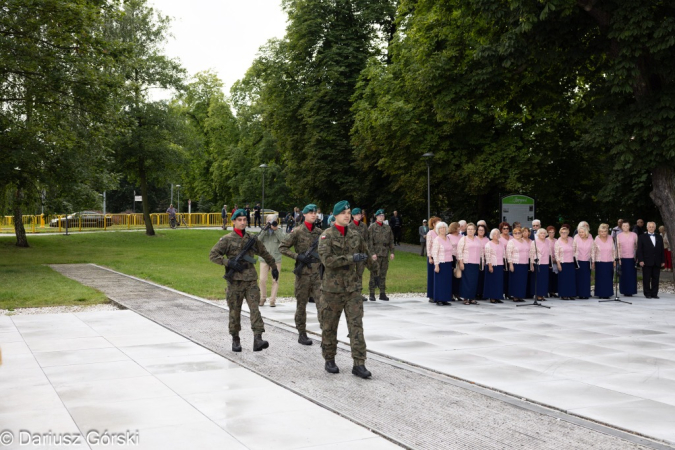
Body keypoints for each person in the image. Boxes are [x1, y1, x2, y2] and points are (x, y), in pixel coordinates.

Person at [318, 200, 375, 378]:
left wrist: (375, 269)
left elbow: (365, 255)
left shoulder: (356, 235)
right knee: (329, 326)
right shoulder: (326, 236)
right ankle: (329, 358)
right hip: (332, 291)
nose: (347, 215)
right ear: (335, 216)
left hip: (352, 290)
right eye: (343, 213)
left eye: (349, 212)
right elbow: (327, 261)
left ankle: (359, 363)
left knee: (356, 326)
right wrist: (351, 258)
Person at [209, 209, 278, 352]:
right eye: (239, 220)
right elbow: (213, 255)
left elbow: (264, 252)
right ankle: (235, 339)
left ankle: (257, 339)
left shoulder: (251, 239)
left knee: (255, 310)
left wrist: (273, 266)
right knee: (235, 311)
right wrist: (228, 263)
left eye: (244, 220)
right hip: (234, 282)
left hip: (251, 280)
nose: (242, 222)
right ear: (233, 221)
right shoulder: (227, 239)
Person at [279, 204, 323, 345]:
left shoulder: (320, 233)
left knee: (322, 304)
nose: (313, 214)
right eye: (310, 212)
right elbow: (282, 247)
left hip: (317, 274)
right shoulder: (297, 232)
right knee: (301, 304)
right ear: (304, 214)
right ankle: (301, 333)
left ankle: (326, 334)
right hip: (303, 274)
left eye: (315, 212)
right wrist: (297, 256)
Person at [368, 209, 395, 301]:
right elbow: (369, 242)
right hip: (375, 253)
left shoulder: (387, 228)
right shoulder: (372, 227)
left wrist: (392, 252)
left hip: (384, 253)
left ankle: (382, 293)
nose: (381, 217)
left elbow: (391, 240)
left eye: (383, 216)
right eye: (379, 216)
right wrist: (372, 253)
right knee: (374, 273)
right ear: (376, 217)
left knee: (383, 273)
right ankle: (372, 293)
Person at [258, 219, 285, 307]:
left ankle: (272, 300)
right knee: (262, 279)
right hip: (264, 259)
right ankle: (263, 297)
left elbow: (284, 240)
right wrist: (264, 230)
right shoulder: (263, 231)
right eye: (270, 221)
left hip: (276, 258)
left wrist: (275, 229)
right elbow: (258, 240)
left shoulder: (279, 231)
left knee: (275, 280)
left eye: (273, 221)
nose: (271, 223)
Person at [637, 221, 665, 298]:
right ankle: (647, 293)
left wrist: (662, 260)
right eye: (650, 227)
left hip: (657, 261)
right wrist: (641, 260)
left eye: (653, 227)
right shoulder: (642, 237)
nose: (651, 228)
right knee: (646, 278)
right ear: (647, 227)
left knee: (656, 278)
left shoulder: (659, 237)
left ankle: (654, 293)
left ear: (655, 228)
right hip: (646, 261)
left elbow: (662, 249)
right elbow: (639, 250)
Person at [348, 207, 371, 300]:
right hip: (353, 254)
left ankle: (358, 293)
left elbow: (366, 239)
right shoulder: (349, 227)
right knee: (351, 273)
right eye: (357, 214)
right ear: (353, 216)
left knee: (359, 273)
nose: (359, 216)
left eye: (360, 214)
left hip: (361, 253)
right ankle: (351, 293)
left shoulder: (364, 226)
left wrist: (367, 251)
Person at [457, 223, 482, 305]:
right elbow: (459, 251)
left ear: (475, 231)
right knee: (466, 281)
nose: (470, 231)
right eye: (469, 229)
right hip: (466, 262)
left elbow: (480, 252)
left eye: (472, 229)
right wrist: (461, 262)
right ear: (466, 230)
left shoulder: (477, 239)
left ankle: (472, 298)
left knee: (474, 281)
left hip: (475, 263)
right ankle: (465, 298)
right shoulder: (463, 239)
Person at [430, 222, 453, 306]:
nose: (442, 229)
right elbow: (434, 253)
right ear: (438, 230)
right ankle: (439, 299)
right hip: (440, 263)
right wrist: (436, 265)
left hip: (448, 263)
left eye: (444, 228)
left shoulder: (448, 238)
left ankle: (445, 299)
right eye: (441, 228)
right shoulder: (437, 240)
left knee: (447, 282)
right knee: (440, 282)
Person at [592, 224, 616, 299]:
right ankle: (600, 294)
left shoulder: (610, 238)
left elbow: (613, 250)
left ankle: (607, 294)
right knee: (600, 278)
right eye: (601, 232)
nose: (603, 233)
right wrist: (593, 262)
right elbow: (593, 251)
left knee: (608, 278)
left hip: (609, 261)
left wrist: (614, 260)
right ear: (599, 232)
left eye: (605, 231)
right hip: (599, 262)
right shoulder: (596, 239)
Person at [506, 227, 529, 302]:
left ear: (522, 234)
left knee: (522, 281)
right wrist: (511, 264)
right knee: (516, 281)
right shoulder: (511, 242)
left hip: (524, 264)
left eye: (519, 233)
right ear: (513, 234)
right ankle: (515, 296)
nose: (517, 234)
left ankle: (520, 296)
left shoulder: (524, 241)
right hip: (516, 263)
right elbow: (508, 254)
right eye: (515, 233)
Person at [483, 229, 505, 303]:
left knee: (499, 282)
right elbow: (487, 256)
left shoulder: (501, 243)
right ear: (492, 235)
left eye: (498, 233)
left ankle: (498, 297)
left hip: (500, 264)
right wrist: (490, 265)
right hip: (492, 264)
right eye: (495, 234)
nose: (497, 235)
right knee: (492, 282)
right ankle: (492, 297)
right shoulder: (488, 244)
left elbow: (504, 254)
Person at [555, 226, 577, 300]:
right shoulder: (558, 242)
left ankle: (571, 294)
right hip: (562, 262)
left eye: (565, 232)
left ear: (568, 233)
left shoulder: (571, 239)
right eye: (562, 232)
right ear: (560, 233)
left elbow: (575, 249)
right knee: (563, 280)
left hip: (571, 262)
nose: (563, 234)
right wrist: (558, 264)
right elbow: (556, 253)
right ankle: (563, 294)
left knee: (571, 279)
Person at [617, 221, 638, 296]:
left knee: (631, 275)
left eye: (627, 226)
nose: (625, 227)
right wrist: (619, 258)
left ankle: (631, 291)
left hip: (632, 258)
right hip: (623, 258)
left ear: (629, 226)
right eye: (624, 226)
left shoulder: (634, 235)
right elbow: (618, 248)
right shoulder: (619, 235)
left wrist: (637, 258)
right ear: (621, 227)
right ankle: (624, 291)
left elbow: (636, 246)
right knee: (624, 275)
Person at [530, 228, 550, 301]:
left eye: (544, 233)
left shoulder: (548, 241)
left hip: (546, 263)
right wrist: (531, 265)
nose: (543, 235)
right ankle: (538, 295)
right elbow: (531, 254)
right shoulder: (534, 242)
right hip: (538, 263)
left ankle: (542, 294)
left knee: (544, 280)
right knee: (538, 280)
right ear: (538, 234)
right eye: (541, 233)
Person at [574, 223, 593, 299]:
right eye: (580, 232)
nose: (581, 233)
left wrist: (593, 260)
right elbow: (573, 248)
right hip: (578, 261)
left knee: (586, 279)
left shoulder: (590, 239)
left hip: (587, 261)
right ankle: (579, 294)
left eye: (582, 232)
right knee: (579, 278)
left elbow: (593, 250)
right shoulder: (576, 238)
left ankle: (586, 294)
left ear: (586, 232)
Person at [426, 217, 440, 303]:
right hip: (432, 257)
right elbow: (428, 246)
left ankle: (438, 294)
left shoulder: (442, 233)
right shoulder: (430, 233)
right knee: (431, 276)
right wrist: (430, 257)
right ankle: (431, 295)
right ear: (434, 224)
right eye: (438, 223)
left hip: (440, 257)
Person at [448, 222, 462, 300]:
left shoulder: (461, 237)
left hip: (460, 257)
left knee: (458, 276)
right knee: (452, 276)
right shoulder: (448, 237)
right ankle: (451, 293)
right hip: (452, 257)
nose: (459, 229)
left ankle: (457, 293)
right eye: (458, 227)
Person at [475, 224, 489, 299]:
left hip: (485, 259)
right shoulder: (474, 238)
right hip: (476, 259)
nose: (481, 231)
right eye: (479, 230)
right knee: (477, 276)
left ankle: (482, 293)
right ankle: (476, 293)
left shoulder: (487, 239)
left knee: (483, 277)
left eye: (482, 230)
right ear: (477, 231)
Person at [499, 222, 512, 299]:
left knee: (510, 277)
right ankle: (503, 292)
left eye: (507, 228)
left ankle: (509, 293)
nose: (506, 230)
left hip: (511, 260)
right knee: (503, 277)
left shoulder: (512, 237)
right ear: (501, 229)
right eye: (504, 228)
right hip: (502, 260)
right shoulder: (499, 238)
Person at [546, 226, 558, 297]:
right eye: (550, 232)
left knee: (554, 276)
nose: (551, 234)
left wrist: (556, 259)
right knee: (549, 276)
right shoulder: (546, 240)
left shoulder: (557, 240)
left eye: (553, 232)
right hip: (548, 260)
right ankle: (548, 290)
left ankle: (553, 291)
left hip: (556, 260)